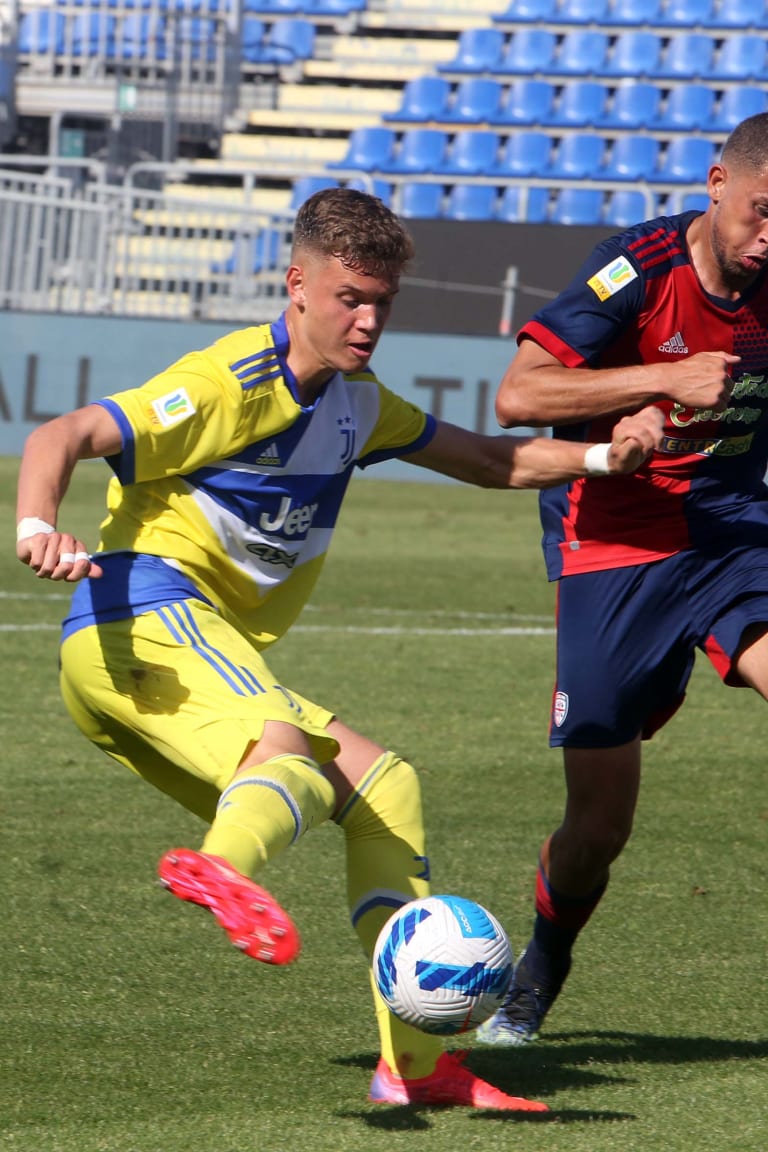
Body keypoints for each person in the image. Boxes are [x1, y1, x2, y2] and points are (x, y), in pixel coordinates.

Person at [16, 187, 661, 1106]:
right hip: (140, 620)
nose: (367, 320)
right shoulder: (227, 382)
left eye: (383, 303)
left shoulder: (361, 404)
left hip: (183, 649)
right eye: (350, 298)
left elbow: (489, 459)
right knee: (285, 750)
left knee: (383, 786)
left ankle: (420, 1067)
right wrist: (37, 523)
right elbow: (64, 431)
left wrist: (605, 459)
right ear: (298, 284)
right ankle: (223, 869)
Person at [475, 112, 768, 1048]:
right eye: (762, 214)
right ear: (717, 181)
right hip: (615, 545)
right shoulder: (633, 268)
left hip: (733, 534)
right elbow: (518, 397)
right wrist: (655, 389)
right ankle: (541, 970)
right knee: (597, 828)